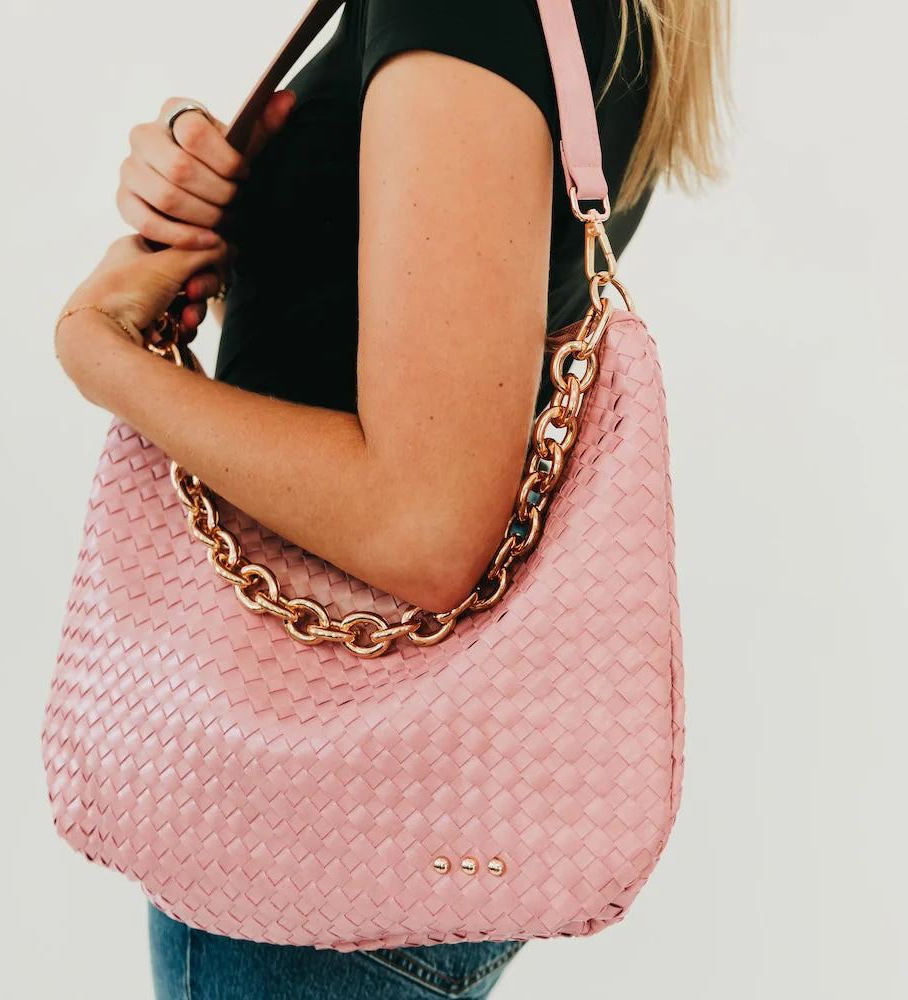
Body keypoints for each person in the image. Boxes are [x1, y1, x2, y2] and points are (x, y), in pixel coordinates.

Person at [53, 1, 729, 996]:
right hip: (385, 804)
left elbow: (424, 525)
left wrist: (104, 358)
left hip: (305, 816)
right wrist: (241, 208)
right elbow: (381, 340)